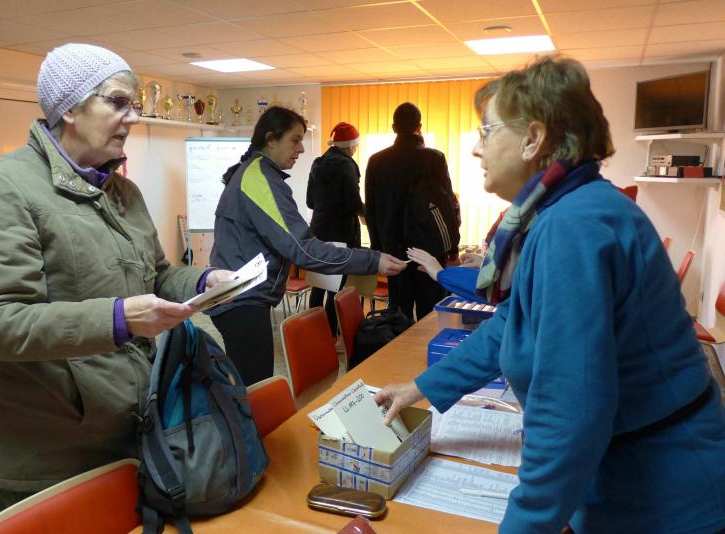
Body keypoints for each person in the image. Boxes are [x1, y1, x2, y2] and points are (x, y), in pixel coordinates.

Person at [376, 56, 725, 532]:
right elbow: (510, 324)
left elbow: (570, 411)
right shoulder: (571, 210)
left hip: (658, 497)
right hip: (642, 478)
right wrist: (420, 387)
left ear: (533, 138)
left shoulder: (570, 226)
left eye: (486, 131)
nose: (477, 149)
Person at [0, 44, 230, 511]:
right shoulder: (0, 188)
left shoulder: (124, 192)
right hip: (50, 452)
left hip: (129, 426)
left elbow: (158, 277)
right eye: (118, 102)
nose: (133, 117)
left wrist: (205, 284)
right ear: (69, 108)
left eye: (134, 105)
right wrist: (120, 318)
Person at [209, 107, 406, 386]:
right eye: (295, 140)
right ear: (271, 140)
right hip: (242, 301)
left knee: (250, 387)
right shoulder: (258, 179)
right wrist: (371, 260)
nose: (301, 149)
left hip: (242, 298)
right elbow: (301, 249)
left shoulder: (260, 173)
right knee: (254, 392)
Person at [365, 102, 455, 322]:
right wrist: (452, 247)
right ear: (419, 127)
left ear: (393, 128)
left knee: (399, 314)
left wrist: (377, 249)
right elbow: (448, 206)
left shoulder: (377, 161)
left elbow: (371, 211)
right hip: (429, 250)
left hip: (392, 250)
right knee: (431, 314)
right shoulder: (434, 158)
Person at [306, 121, 364, 335]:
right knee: (335, 287)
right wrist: (367, 213)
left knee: (318, 284)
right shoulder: (347, 165)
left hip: (318, 233)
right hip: (341, 233)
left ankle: (313, 332)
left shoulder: (317, 163)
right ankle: (330, 334)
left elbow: (310, 202)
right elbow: (354, 204)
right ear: (351, 146)